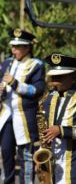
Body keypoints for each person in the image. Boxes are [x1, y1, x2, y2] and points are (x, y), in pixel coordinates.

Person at [0, 29, 45, 184]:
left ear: (27, 48)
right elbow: (0, 85)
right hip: (7, 114)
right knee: (6, 152)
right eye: (13, 46)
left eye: (18, 47)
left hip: (25, 116)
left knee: (27, 155)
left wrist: (15, 83)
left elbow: (37, 90)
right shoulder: (8, 62)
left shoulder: (36, 65)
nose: (14, 49)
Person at [43, 53, 76, 183]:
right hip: (53, 161)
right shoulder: (49, 98)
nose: (55, 82)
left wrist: (61, 131)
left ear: (73, 77)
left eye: (60, 77)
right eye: (53, 77)